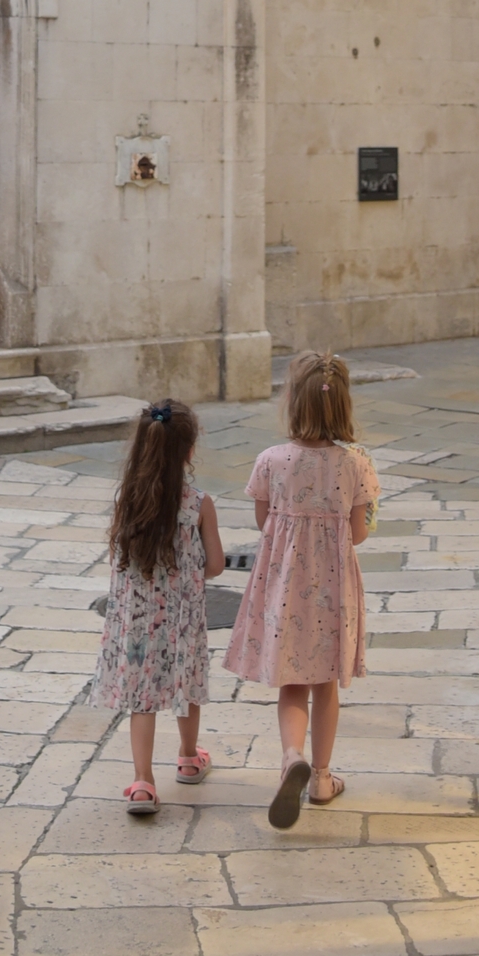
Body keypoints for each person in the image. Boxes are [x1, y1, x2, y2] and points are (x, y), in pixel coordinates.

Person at [224, 348, 379, 827]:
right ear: (344, 405)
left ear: (292, 402)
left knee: (292, 681)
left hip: (285, 589)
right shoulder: (356, 464)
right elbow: (358, 533)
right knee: (325, 684)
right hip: (333, 593)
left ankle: (292, 756)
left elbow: (263, 520)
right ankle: (323, 778)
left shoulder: (271, 460)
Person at [88, 399, 224, 814]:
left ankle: (143, 783)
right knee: (187, 683)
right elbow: (216, 565)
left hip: (138, 624)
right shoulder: (198, 504)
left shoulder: (128, 501)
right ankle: (188, 758)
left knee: (142, 700)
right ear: (189, 451)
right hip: (181, 621)